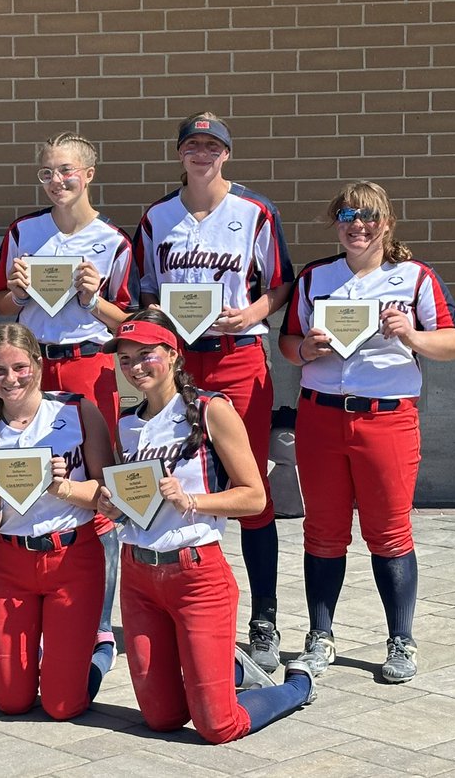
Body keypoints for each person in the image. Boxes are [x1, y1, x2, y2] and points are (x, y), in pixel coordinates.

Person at [278, 182, 455, 683]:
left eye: (367, 216)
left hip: (386, 417)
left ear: (385, 223)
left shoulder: (414, 277)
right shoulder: (316, 276)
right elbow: (288, 343)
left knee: (388, 531)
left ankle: (401, 640)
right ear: (335, 222)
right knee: (321, 531)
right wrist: (308, 351)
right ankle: (320, 637)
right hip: (320, 415)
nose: (356, 225)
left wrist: (411, 334)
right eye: (346, 215)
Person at [102, 310, 314, 744]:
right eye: (125, 360)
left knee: (218, 726)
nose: (135, 368)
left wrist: (192, 500)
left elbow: (254, 496)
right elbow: (135, 502)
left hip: (197, 572)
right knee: (162, 719)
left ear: (174, 353)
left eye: (146, 355)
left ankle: (297, 686)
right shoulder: (126, 423)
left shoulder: (211, 408)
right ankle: (226, 667)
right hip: (140, 576)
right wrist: (113, 502)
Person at [132, 112, 293, 672]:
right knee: (178, 479)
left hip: (236, 356)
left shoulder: (254, 210)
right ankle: (186, 600)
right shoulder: (157, 216)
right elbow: (144, 291)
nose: (202, 154)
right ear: (180, 153)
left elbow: (280, 283)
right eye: (192, 145)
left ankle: (264, 616)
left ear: (227, 153)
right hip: (178, 360)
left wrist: (250, 311)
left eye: (212, 146)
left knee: (249, 486)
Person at [0, 131, 136, 687]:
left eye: (67, 171)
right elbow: (1, 301)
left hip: (89, 365)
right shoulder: (24, 231)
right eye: (48, 172)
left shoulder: (114, 241)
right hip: (28, 365)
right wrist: (19, 294)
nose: (57, 180)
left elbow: (133, 325)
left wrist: (94, 298)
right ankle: (32, 607)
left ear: (89, 174)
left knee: (97, 490)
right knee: (27, 475)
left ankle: (95, 624)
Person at [0, 323, 111, 720]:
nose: (11, 379)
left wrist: (65, 489)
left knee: (63, 706)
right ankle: (60, 661)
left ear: (39, 366)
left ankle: (97, 655)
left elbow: (111, 498)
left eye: (20, 367)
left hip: (73, 557)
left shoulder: (77, 411)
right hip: (12, 563)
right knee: (10, 702)